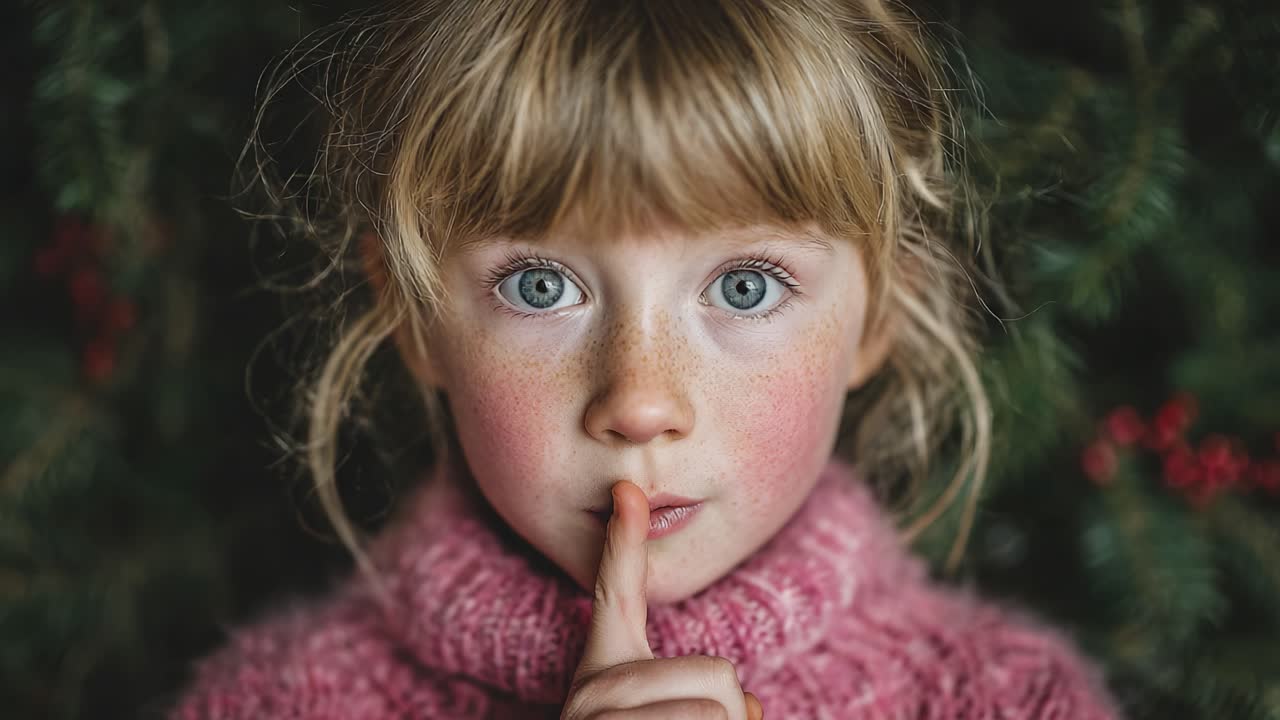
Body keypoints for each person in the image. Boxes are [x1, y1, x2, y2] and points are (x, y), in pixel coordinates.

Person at [169, 0, 1121, 717]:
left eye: (745, 285)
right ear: (414, 319)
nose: (639, 402)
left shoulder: (1007, 698)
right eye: (539, 286)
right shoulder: (271, 699)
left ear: (883, 313)